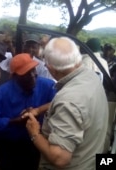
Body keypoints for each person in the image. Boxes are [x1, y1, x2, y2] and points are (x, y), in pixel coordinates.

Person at [23, 37, 109, 170]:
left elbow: (60, 158)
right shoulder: (90, 76)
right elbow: (75, 106)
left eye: (46, 64)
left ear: (52, 69)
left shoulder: (68, 100)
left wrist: (34, 133)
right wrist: (39, 110)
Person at [0, 53, 56, 170]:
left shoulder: (47, 86)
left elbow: (61, 101)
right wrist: (14, 121)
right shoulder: (2, 92)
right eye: (27, 73)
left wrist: (38, 110)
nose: (32, 76)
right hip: (7, 147)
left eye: (33, 70)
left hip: (35, 145)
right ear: (15, 76)